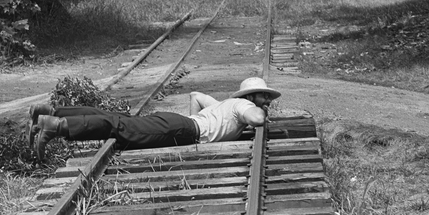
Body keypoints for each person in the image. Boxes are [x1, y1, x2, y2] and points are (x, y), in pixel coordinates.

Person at [27, 77, 281, 160]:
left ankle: (51, 113)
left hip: (181, 124)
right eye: (264, 98)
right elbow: (257, 119)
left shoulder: (227, 106)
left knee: (115, 118)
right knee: (118, 126)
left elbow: (198, 95)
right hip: (182, 129)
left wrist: (196, 120)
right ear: (252, 96)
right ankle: (56, 127)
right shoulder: (242, 105)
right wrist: (263, 114)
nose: (267, 102)